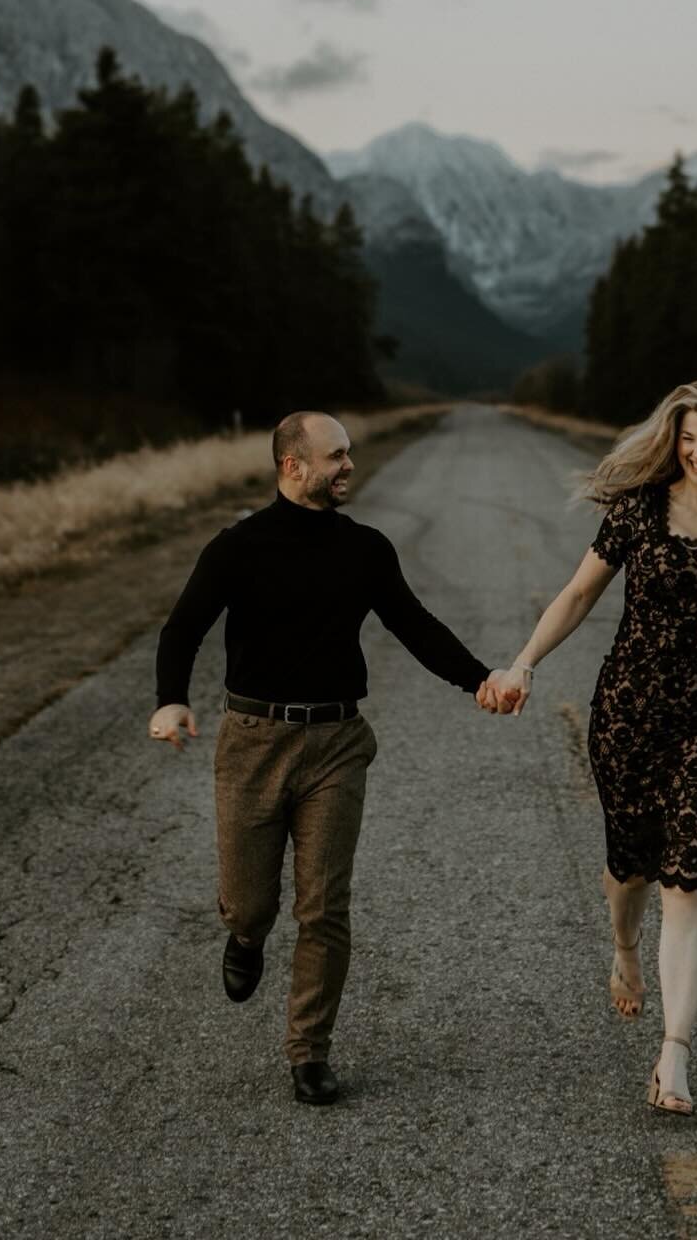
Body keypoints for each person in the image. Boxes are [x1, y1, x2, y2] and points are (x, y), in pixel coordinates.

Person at [148, 410, 498, 1107]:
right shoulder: (238, 548)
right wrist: (170, 700)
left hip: (337, 743)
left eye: (350, 455)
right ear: (292, 466)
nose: (348, 468)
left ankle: (310, 1052)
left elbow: (415, 625)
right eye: (335, 456)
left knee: (325, 907)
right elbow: (183, 627)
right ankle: (245, 937)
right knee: (253, 903)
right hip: (252, 742)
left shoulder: (365, 549)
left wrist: (479, 678)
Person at [478, 378, 697, 1115]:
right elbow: (578, 595)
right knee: (631, 866)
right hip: (629, 709)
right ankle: (624, 947)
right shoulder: (638, 511)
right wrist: (524, 662)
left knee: (689, 876)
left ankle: (674, 1053)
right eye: (688, 439)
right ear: (673, 441)